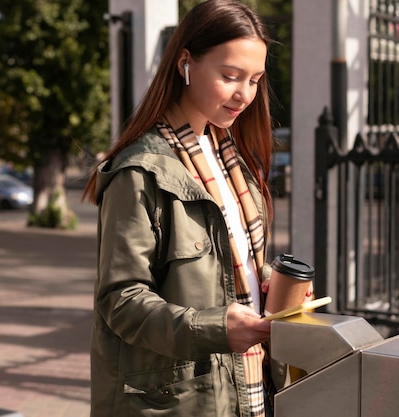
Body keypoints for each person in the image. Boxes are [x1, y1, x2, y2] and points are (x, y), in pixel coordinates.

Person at [84, 1, 281, 415]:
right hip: (179, 400)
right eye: (230, 76)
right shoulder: (139, 172)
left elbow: (232, 269)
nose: (244, 94)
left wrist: (276, 288)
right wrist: (216, 328)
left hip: (248, 385)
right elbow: (120, 300)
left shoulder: (232, 160)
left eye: (255, 80)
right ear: (185, 63)